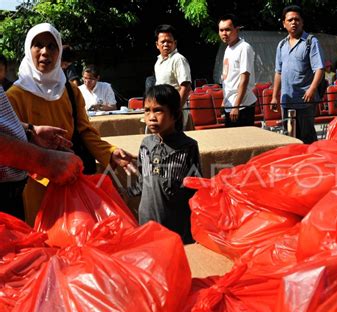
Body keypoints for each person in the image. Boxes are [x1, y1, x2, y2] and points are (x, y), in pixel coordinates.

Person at [7, 23, 136, 224]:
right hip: (35, 187)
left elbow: (85, 131)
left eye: (52, 46)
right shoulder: (13, 97)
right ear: (27, 49)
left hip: (70, 179)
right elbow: (10, 144)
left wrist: (109, 151)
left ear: (59, 51)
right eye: (38, 45)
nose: (44, 52)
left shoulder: (70, 92)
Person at [128, 84, 200, 244]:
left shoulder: (188, 146)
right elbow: (142, 180)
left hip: (176, 224)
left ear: (175, 114)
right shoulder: (146, 144)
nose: (151, 117)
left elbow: (195, 186)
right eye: (147, 110)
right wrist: (123, 194)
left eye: (158, 110)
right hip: (148, 221)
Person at [0, 86, 82, 220]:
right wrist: (44, 160)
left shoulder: (70, 90)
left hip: (11, 194)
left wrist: (29, 131)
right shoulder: (16, 93)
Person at [270, 5, 324, 144]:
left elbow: (319, 69)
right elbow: (278, 72)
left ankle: (311, 164)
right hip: (286, 101)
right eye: (290, 20)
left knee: (307, 138)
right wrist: (275, 96)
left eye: (297, 19)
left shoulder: (311, 42)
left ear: (302, 22)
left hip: (305, 100)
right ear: (284, 23)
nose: (294, 22)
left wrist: (312, 89)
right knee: (289, 137)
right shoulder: (281, 45)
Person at [218, 13, 257, 128]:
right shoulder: (228, 49)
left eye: (228, 30)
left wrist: (236, 106)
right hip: (230, 104)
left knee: (244, 143)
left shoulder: (244, 48)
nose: (224, 33)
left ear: (237, 29)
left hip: (242, 106)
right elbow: (228, 78)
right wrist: (224, 100)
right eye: (221, 30)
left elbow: (244, 78)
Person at [153, 24, 193, 130]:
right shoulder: (158, 62)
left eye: (169, 41)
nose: (166, 44)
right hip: (163, 112)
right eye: (163, 42)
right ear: (157, 44)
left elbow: (185, 86)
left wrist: (176, 109)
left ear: (175, 43)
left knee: (176, 142)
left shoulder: (178, 59)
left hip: (175, 113)